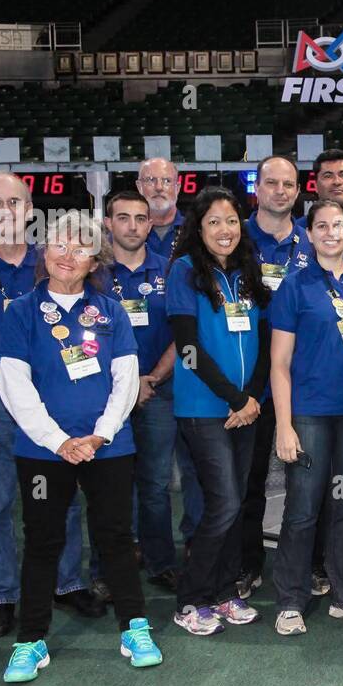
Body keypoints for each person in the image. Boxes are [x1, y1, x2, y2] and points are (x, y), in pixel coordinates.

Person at [0, 212, 161, 682]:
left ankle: (135, 627)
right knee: (44, 540)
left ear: (95, 261)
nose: (68, 256)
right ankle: (31, 640)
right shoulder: (21, 311)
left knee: (115, 537)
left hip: (108, 447)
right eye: (59, 246)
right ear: (44, 253)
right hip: (43, 451)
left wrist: (100, 434)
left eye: (80, 249)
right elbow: (14, 384)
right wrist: (59, 441)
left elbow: (126, 379)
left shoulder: (111, 311)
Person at [0, 170, 100, 638]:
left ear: (30, 210)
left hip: (51, 399)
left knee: (63, 499)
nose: (7, 210)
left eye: (16, 201)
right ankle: (4, 595)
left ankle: (67, 583)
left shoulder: (52, 261)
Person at [270, 199, 343, 635]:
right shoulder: (294, 287)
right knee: (302, 508)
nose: (332, 232)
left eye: (339, 224)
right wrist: (284, 424)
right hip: (310, 415)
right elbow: (280, 363)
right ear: (310, 233)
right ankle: (291, 600)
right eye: (322, 225)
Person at [166, 187, 271, 636]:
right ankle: (192, 598)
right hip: (205, 408)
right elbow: (188, 349)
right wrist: (234, 397)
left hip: (247, 408)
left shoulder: (248, 272)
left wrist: (253, 398)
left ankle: (226, 592)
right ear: (198, 227)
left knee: (238, 500)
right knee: (223, 502)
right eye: (213, 222)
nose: (224, 230)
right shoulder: (184, 272)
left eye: (231, 221)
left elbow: (266, 343)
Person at [236, 155, 314, 598]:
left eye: (288, 184)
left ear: (297, 191)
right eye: (272, 183)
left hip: (299, 383)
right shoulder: (234, 239)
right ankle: (247, 564)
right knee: (248, 483)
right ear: (258, 188)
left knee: (307, 481)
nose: (280, 191)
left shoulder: (311, 242)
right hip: (247, 383)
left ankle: (310, 563)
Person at [99, 190, 179, 594]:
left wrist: (151, 380)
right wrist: (125, 387)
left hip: (157, 392)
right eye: (123, 217)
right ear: (108, 223)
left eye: (140, 218)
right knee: (109, 486)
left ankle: (161, 561)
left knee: (154, 484)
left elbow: (182, 334)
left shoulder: (170, 271)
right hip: (105, 399)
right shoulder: (92, 274)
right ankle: (108, 568)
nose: (132, 225)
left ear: (151, 224)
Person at [136, 157, 203, 558]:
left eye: (166, 180)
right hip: (138, 381)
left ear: (179, 187)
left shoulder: (196, 233)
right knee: (146, 475)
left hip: (192, 375)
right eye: (151, 180)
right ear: (139, 185)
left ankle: (197, 543)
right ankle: (145, 548)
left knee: (196, 469)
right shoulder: (119, 237)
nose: (159, 187)